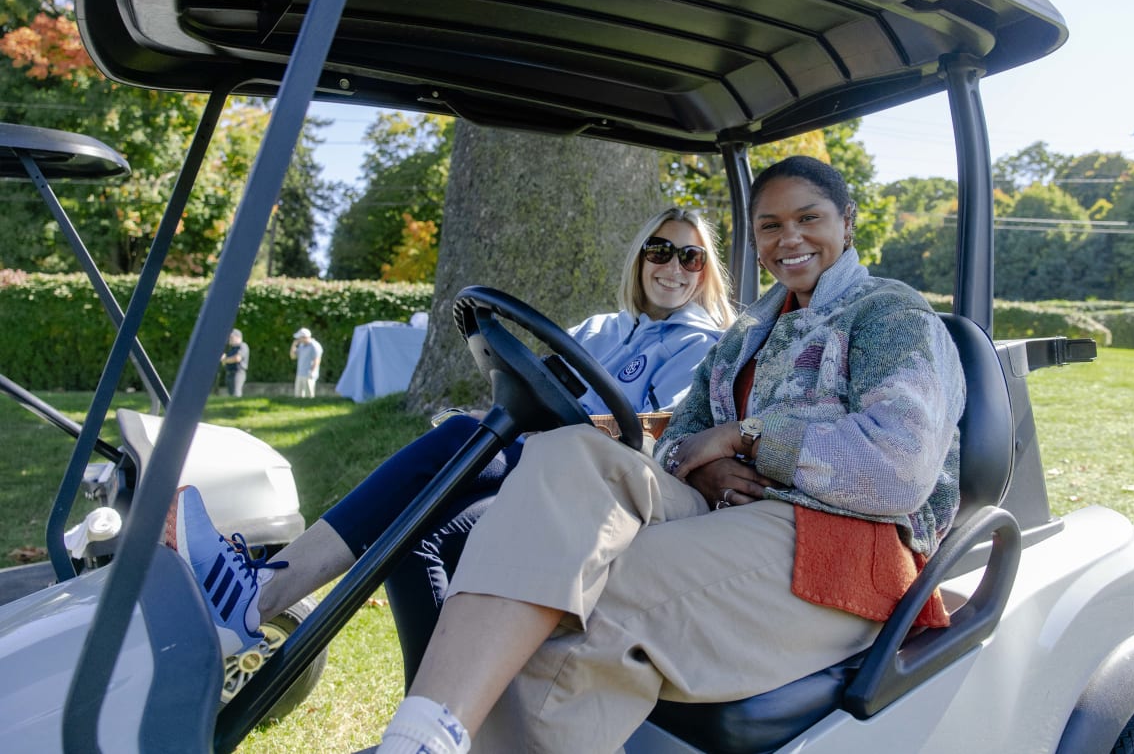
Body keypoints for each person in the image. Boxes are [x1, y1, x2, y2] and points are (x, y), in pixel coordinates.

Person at [362, 156, 966, 754]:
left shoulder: (890, 313)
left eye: (808, 218)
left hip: (839, 544)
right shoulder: (749, 329)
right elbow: (678, 438)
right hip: (729, 514)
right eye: (770, 226)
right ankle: (423, 734)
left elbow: (896, 467)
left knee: (587, 608)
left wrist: (745, 439)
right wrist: (705, 462)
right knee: (567, 452)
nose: (790, 239)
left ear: (847, 221)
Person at [166, 207, 735, 666]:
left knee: (462, 443)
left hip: (603, 487)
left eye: (691, 256)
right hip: (544, 464)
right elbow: (543, 383)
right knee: (414, 529)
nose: (674, 267)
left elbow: (662, 431)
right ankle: (437, 716)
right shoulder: (602, 329)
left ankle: (259, 594)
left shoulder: (700, 342)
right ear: (640, 259)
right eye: (660, 250)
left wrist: (569, 427)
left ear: (705, 270)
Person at [290, 328, 324, 398]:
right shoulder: (301, 346)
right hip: (300, 374)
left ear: (304, 337)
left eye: (299, 338)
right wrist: (293, 345)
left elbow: (317, 360)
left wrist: (312, 372)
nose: (298, 340)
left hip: (309, 375)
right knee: (298, 396)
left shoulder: (315, 346)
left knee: (309, 396)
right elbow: (293, 356)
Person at [220, 329, 249, 397]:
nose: (229, 339)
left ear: (237, 337)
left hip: (238, 373)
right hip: (229, 373)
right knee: (231, 395)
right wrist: (223, 359)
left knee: (236, 394)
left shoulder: (243, 346)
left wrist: (225, 359)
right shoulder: (232, 349)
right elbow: (225, 363)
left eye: (231, 337)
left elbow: (237, 358)